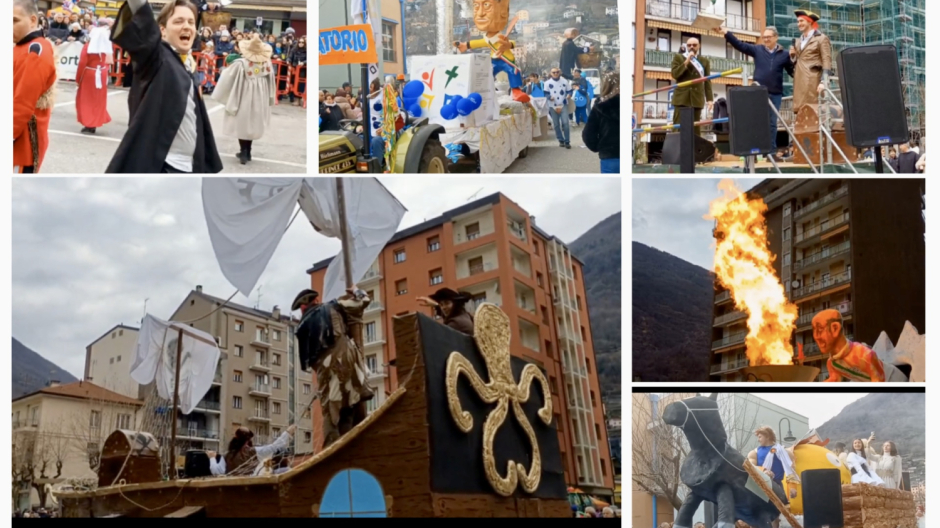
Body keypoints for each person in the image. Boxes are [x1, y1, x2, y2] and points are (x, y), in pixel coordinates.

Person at [107, 0, 223, 173]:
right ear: (162, 30)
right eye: (178, 21)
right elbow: (143, 21)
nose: (186, 26)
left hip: (190, 167)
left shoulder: (187, 64)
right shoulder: (156, 57)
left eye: (191, 22)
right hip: (163, 166)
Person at [293, 287, 375, 448]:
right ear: (316, 300)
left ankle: (334, 446)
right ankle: (339, 446)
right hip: (345, 359)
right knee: (350, 402)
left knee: (332, 409)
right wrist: (358, 291)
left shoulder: (301, 327)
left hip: (324, 370)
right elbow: (363, 302)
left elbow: (308, 361)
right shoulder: (334, 305)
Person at [717, 25, 794, 160]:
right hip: (758, 93)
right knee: (756, 122)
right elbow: (740, 45)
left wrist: (795, 59)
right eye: (764, 37)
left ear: (776, 37)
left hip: (775, 93)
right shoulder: (757, 50)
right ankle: (754, 152)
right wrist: (726, 33)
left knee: (772, 123)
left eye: (768, 37)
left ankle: (770, 152)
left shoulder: (785, 54)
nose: (766, 39)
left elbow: (794, 72)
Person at [212, 34, 275, 165]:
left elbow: (227, 78)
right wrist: (269, 97)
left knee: (242, 122)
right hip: (260, 96)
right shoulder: (267, 63)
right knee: (252, 123)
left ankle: (243, 153)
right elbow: (271, 81)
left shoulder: (240, 63)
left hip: (243, 95)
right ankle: (248, 151)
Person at [453, 0, 529, 103]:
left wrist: (507, 45)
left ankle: (516, 91)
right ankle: (485, 91)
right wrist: (465, 45)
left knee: (513, 71)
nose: (480, 13)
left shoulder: (500, 37)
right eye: (476, 6)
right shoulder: (487, 38)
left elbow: (512, 43)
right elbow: (480, 42)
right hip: (494, 60)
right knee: (487, 73)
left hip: (505, 60)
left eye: (487, 5)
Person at [13, 0, 57, 174]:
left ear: (32, 20)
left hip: (22, 143)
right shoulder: (21, 46)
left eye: (15, 21)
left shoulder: (35, 50)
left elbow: (22, 104)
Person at [813, 309, 885, 382]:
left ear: (835, 328)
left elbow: (879, 383)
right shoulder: (832, 363)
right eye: (813, 330)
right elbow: (834, 380)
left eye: (819, 329)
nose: (816, 336)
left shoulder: (864, 355)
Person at [747, 426, 796, 528]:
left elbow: (791, 470)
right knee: (756, 514)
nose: (758, 439)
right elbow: (751, 468)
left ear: (767, 436)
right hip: (760, 485)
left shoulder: (784, 452)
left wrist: (792, 488)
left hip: (777, 485)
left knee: (775, 515)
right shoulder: (754, 453)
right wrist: (763, 470)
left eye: (760, 436)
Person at [789, 10, 832, 116]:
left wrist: (824, 81)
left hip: (812, 81)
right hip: (799, 80)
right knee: (800, 113)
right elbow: (797, 62)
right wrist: (793, 56)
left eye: (801, 21)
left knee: (813, 111)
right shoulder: (798, 41)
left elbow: (826, 60)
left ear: (809, 21)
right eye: (798, 21)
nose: (799, 24)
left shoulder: (821, 38)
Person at [208, 424, 296, 476]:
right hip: (249, 490)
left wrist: (212, 457)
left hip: (232, 491)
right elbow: (274, 446)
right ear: (247, 441)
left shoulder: (227, 455)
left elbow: (216, 471)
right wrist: (287, 433)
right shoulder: (254, 452)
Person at [75, 20, 114, 135]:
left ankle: (89, 124)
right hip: (101, 74)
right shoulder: (106, 48)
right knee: (98, 100)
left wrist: (78, 79)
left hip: (89, 74)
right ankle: (95, 121)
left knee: (87, 100)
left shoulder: (88, 47)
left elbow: (82, 63)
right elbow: (108, 62)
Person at [671, 37, 713, 137]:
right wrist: (687, 61)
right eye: (689, 45)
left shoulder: (704, 61)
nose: (691, 47)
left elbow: (707, 81)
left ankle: (694, 152)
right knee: (678, 129)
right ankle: (676, 151)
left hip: (696, 99)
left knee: (695, 131)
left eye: (694, 45)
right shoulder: (679, 57)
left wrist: (710, 99)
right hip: (681, 99)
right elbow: (675, 74)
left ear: (699, 46)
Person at [582, 71, 619, 173]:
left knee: (611, 186)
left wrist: (599, 147)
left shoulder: (600, 105)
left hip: (609, 155)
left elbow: (588, 134)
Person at [544, 67, 572, 149]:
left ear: (559, 72)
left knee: (565, 123)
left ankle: (567, 141)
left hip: (563, 104)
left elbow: (569, 90)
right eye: (554, 72)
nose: (556, 73)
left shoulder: (564, 81)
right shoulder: (547, 83)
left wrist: (569, 94)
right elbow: (545, 93)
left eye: (557, 72)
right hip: (553, 105)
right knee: (556, 124)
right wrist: (549, 97)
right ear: (551, 73)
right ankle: (560, 140)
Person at [288, 37, 306, 106]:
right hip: (294, 68)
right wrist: (288, 60)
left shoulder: (306, 50)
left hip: (302, 70)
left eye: (302, 42)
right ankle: (292, 98)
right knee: (292, 82)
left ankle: (298, 99)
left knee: (300, 84)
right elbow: (290, 56)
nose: (301, 44)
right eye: (300, 42)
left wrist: (303, 63)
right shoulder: (294, 49)